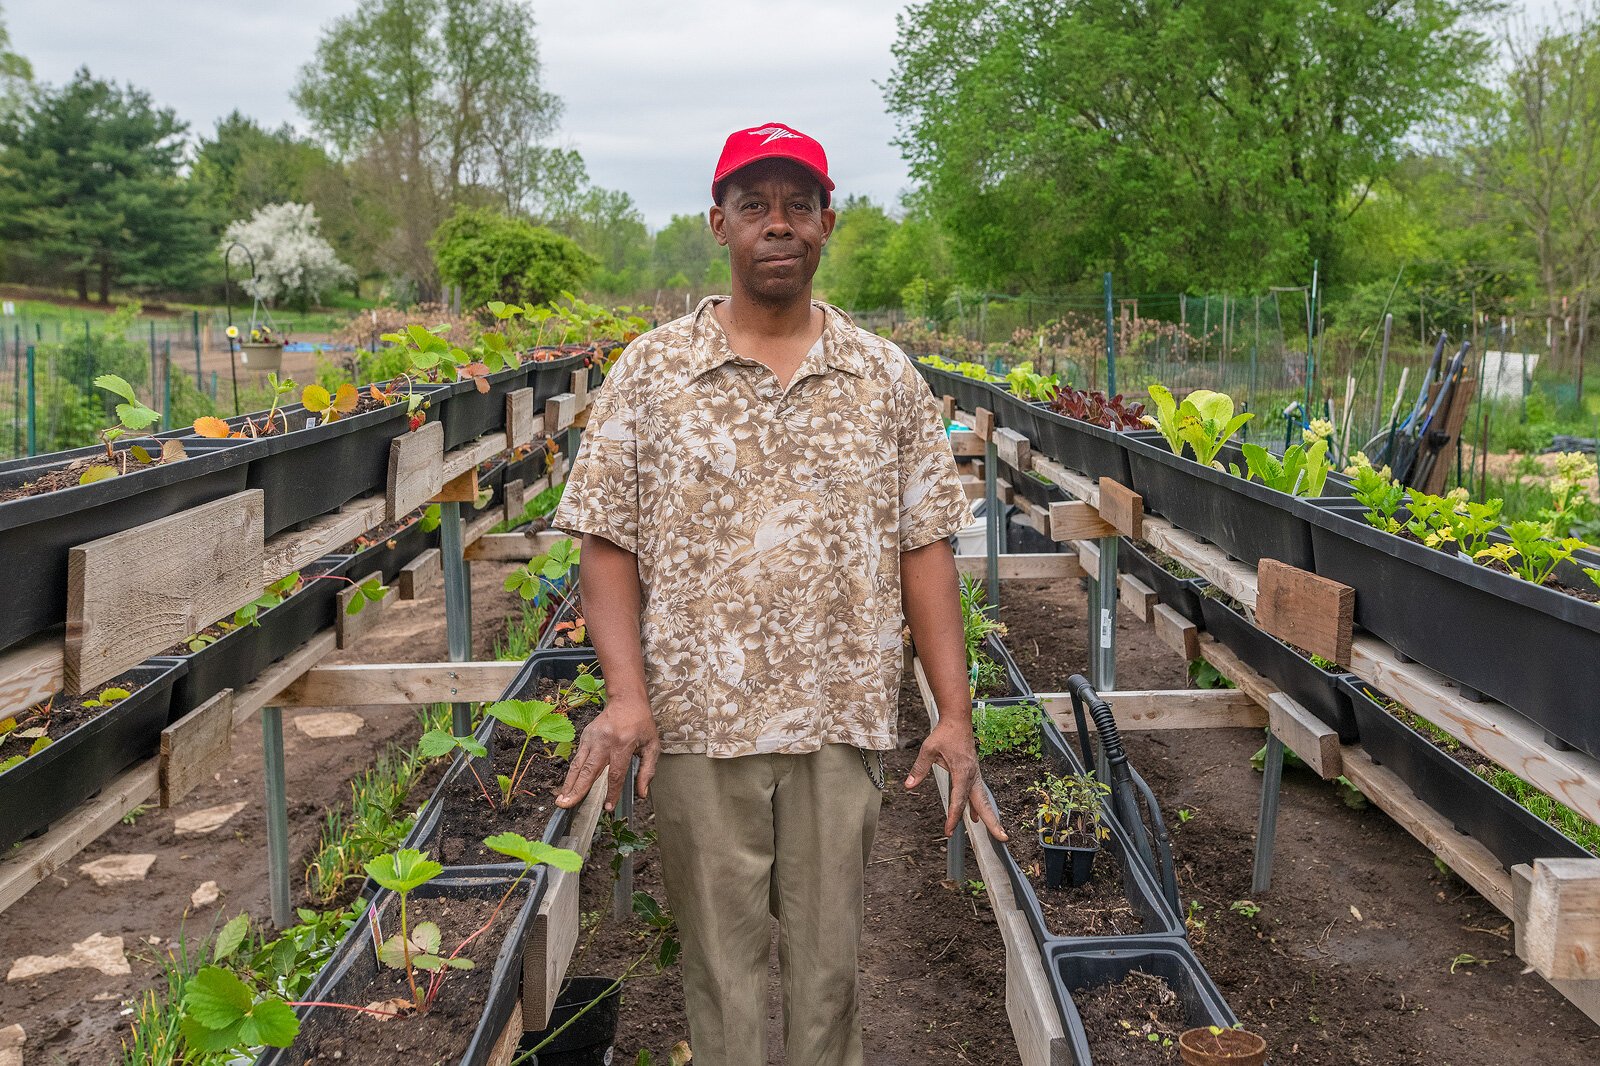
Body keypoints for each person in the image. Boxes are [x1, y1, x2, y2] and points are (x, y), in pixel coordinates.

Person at [551, 120, 1007, 1066]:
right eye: (754, 205)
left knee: (828, 970)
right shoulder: (653, 373)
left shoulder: (882, 376)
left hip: (837, 725)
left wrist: (952, 714)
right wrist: (628, 699)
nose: (778, 224)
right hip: (698, 727)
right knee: (719, 973)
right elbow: (606, 543)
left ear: (827, 223)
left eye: (799, 205)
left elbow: (925, 549)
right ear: (717, 223)